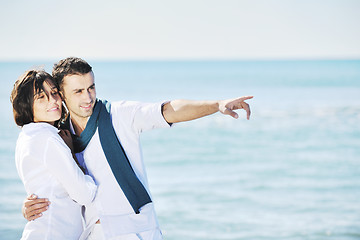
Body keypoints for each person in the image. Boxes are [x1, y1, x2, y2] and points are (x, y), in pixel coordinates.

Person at [22, 57, 253, 240]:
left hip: (135, 231)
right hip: (93, 233)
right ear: (61, 96)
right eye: (78, 91)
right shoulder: (60, 136)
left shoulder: (119, 114)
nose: (88, 97)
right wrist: (29, 206)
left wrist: (217, 105)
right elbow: (53, 181)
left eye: (91, 87)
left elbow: (168, 110)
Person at [11, 70, 98, 239]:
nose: (53, 101)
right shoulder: (48, 138)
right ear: (26, 104)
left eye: (54, 93)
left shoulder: (27, 136)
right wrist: (72, 155)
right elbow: (85, 195)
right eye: (41, 97)